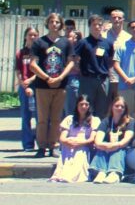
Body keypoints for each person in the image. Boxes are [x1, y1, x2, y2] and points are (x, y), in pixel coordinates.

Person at [30, 14, 75, 157]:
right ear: (47, 24)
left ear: (61, 25)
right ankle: (42, 146)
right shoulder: (39, 42)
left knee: (56, 118)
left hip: (60, 85)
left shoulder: (65, 43)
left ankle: (54, 145)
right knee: (42, 118)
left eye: (57, 22)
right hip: (43, 85)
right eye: (51, 22)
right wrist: (46, 77)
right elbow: (32, 64)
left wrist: (61, 77)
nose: (54, 24)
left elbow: (71, 62)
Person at [50, 94, 98, 183]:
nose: (83, 107)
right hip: (70, 145)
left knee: (80, 150)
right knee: (66, 148)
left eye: (86, 104)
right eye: (81, 104)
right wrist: (70, 142)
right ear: (77, 105)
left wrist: (79, 143)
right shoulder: (69, 119)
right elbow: (62, 138)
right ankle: (61, 174)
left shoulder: (94, 120)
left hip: (85, 145)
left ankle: (72, 176)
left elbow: (91, 139)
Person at [75, 16, 112, 117]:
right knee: (86, 108)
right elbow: (75, 59)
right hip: (87, 80)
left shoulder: (108, 43)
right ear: (89, 26)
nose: (97, 27)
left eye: (99, 25)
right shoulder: (83, 43)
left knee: (102, 109)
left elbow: (111, 60)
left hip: (103, 81)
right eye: (94, 24)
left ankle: (99, 131)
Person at [15, 27, 38, 152]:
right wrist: (22, 83)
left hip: (36, 85)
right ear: (25, 36)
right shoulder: (20, 53)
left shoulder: (39, 52)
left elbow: (40, 70)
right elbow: (18, 70)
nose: (32, 37)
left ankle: (42, 143)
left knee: (40, 116)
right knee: (25, 115)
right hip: (24, 86)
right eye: (30, 35)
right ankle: (28, 144)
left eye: (35, 35)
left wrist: (31, 80)